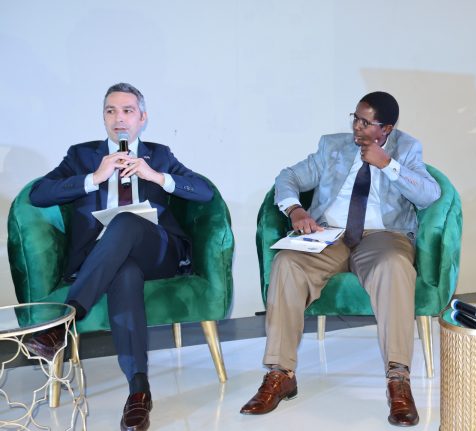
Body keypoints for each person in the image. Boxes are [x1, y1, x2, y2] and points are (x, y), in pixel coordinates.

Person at [240, 91, 440, 426]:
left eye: (366, 122)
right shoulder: (332, 146)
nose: (357, 127)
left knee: (394, 266)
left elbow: (429, 194)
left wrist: (387, 164)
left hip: (382, 236)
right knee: (287, 263)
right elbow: (288, 176)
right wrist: (295, 209)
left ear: (387, 128)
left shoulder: (407, 148)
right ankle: (280, 373)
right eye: (355, 118)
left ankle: (398, 379)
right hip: (328, 234)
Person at [25, 83, 213, 431]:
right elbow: (38, 194)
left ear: (142, 118)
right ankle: (139, 390)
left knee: (126, 221)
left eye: (128, 111)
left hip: (158, 250)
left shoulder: (159, 154)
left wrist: (155, 176)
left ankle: (66, 320)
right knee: (124, 272)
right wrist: (93, 178)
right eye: (111, 111)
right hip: (104, 256)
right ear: (103, 118)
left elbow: (204, 192)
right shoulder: (82, 156)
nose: (119, 118)